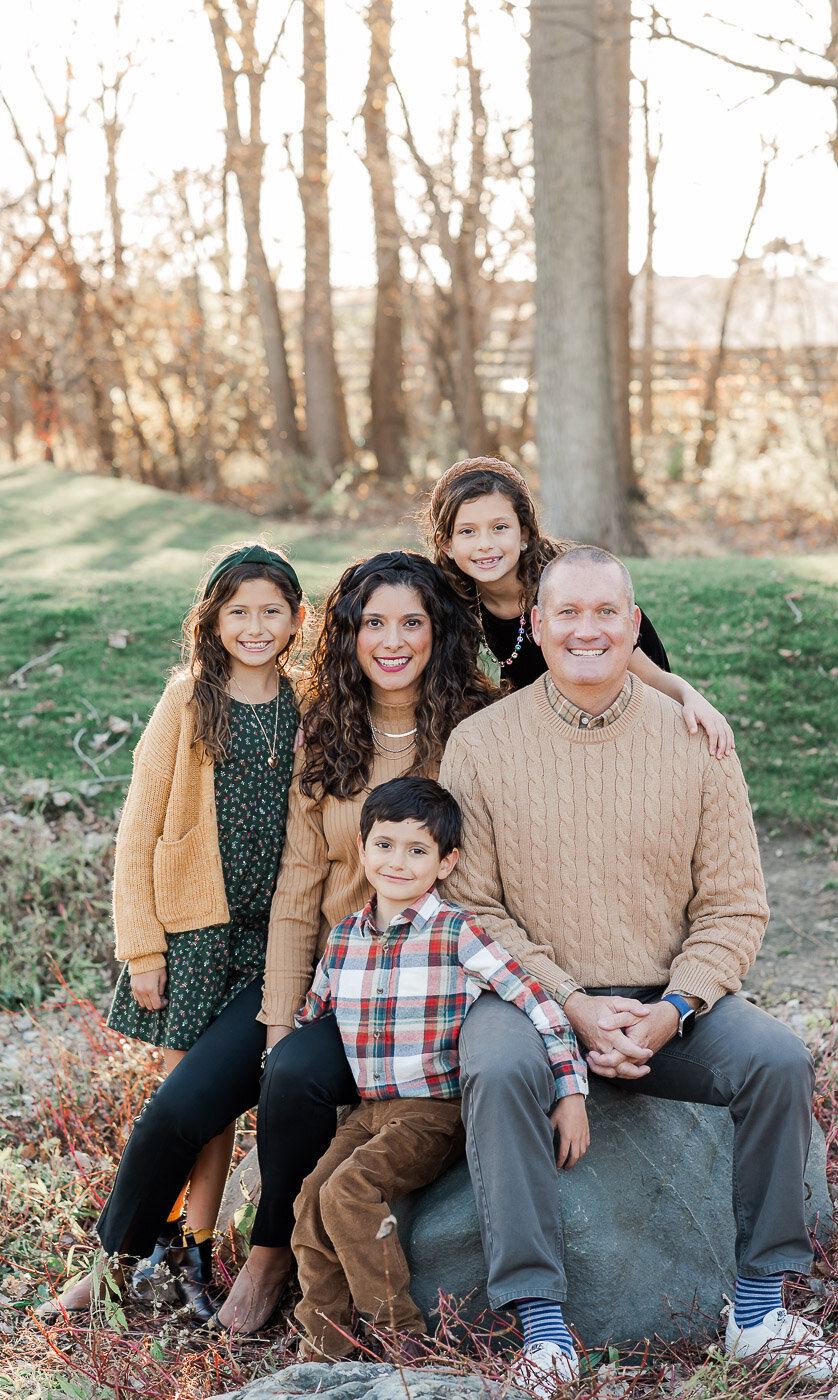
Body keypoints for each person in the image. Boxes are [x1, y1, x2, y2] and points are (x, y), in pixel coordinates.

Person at [439, 544, 830, 1397]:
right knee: (499, 1067)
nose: (586, 629)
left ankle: (759, 1312)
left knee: (777, 1061)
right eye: (566, 613)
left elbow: (734, 906)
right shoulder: (480, 744)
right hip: (532, 997)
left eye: (606, 612)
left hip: (666, 994)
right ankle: (541, 1324)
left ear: (633, 623)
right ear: (535, 625)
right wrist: (574, 1005)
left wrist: (676, 1008)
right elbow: (474, 910)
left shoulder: (697, 739)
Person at [216, 552, 496, 1334]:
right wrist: (279, 1021)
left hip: (448, 978)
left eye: (412, 621)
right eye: (374, 622)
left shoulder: (481, 724)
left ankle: (390, 1331)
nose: (393, 638)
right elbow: (297, 890)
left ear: (440, 631)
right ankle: (274, 1259)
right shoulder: (328, 728)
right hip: (355, 977)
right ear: (348, 633)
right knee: (291, 1073)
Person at [38, 542, 305, 1324]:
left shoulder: (306, 704)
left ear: (295, 619)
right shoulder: (190, 698)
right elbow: (137, 830)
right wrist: (141, 948)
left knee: (223, 1100)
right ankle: (134, 1258)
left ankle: (189, 1252)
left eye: (271, 612)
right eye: (238, 612)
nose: (255, 627)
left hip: (271, 940)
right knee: (189, 1102)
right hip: (194, 934)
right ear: (214, 619)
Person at [290, 777, 588, 1361]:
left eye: (418, 849)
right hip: (369, 1113)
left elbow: (536, 1001)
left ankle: (402, 1344)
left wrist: (568, 1091)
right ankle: (325, 1349)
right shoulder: (347, 935)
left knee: (349, 1192)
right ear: (361, 847)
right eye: (385, 844)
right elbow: (313, 1012)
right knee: (309, 1199)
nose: (397, 861)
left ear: (446, 861)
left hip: (432, 1112)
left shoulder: (456, 932)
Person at [425, 456, 735, 755]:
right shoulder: (454, 600)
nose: (484, 544)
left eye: (500, 527)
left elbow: (651, 679)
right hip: (553, 725)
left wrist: (690, 698)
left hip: (617, 695)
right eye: (468, 531)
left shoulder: (568, 589)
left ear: (525, 534)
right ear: (447, 544)